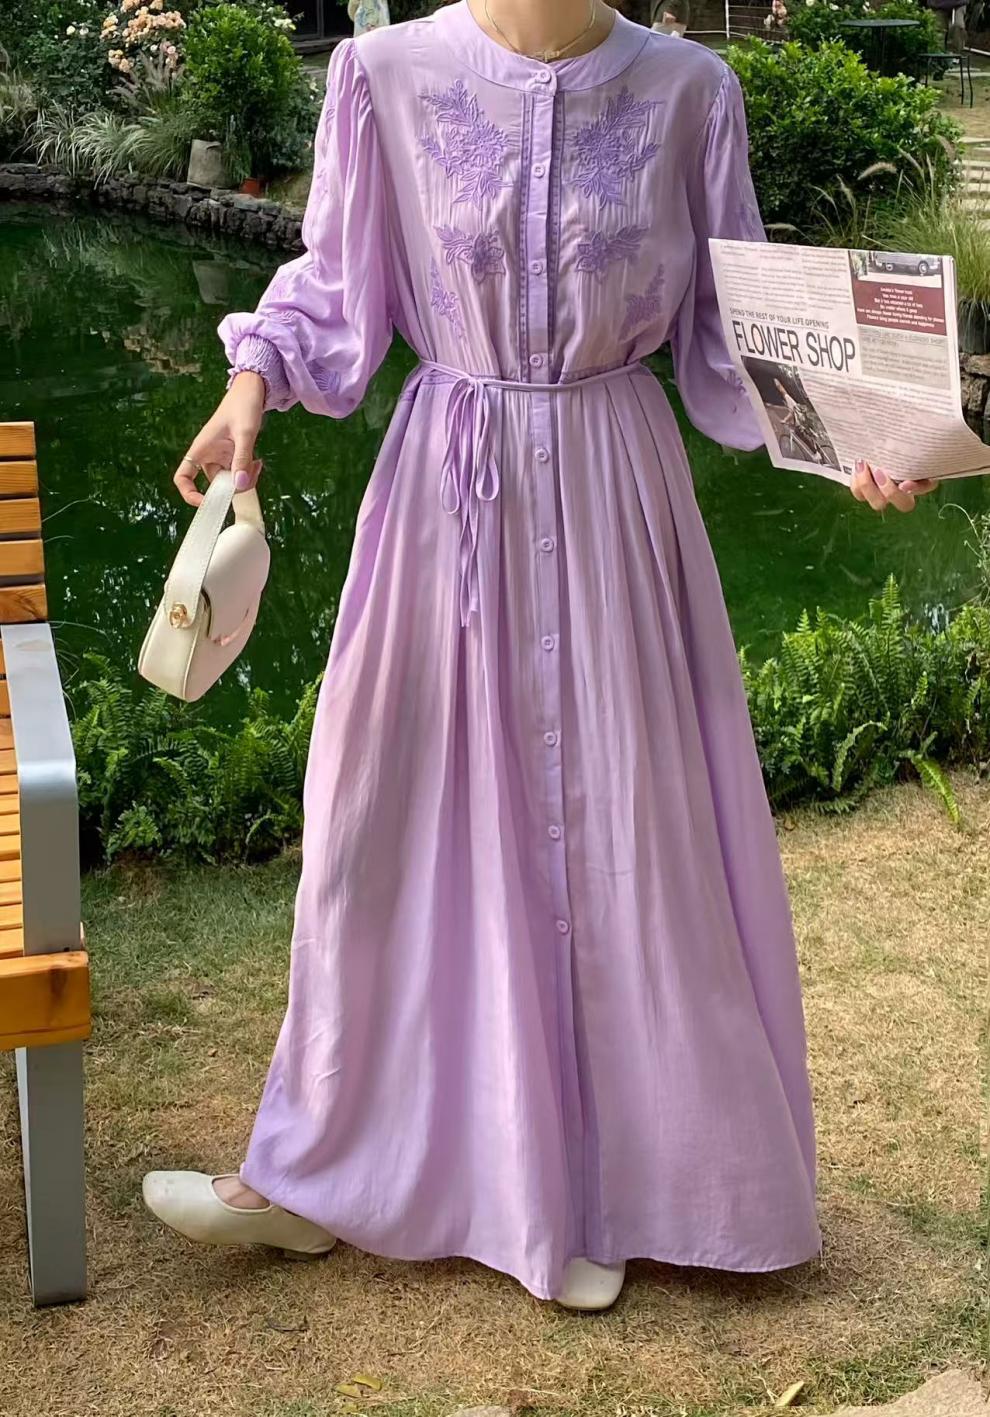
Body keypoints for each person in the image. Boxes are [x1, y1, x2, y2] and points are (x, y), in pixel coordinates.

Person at [143, 0, 937, 1311]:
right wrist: (246, 392)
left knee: (621, 823)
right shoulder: (382, 75)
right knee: (372, 816)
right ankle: (315, 1164)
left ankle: (599, 1184)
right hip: (442, 496)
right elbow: (335, 291)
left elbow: (738, 334)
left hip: (616, 493)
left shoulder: (691, 91)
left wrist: (860, 433)